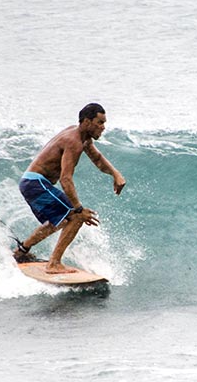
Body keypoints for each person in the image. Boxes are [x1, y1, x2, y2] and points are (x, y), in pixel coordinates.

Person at [13, 103, 126, 274]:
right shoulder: (73, 141)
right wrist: (79, 209)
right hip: (36, 183)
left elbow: (97, 158)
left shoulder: (82, 137)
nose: (103, 127)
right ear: (87, 121)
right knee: (76, 217)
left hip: (32, 183)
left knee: (64, 219)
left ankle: (21, 252)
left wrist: (115, 174)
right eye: (100, 122)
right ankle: (54, 264)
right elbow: (66, 179)